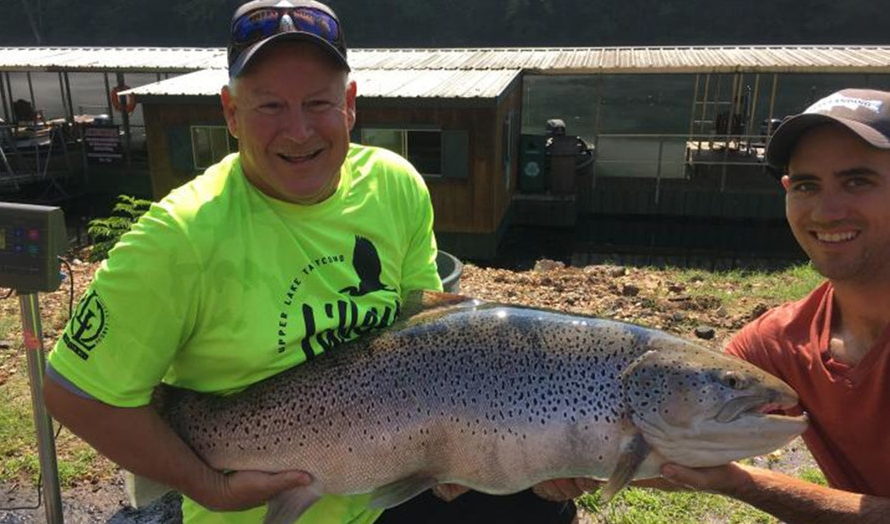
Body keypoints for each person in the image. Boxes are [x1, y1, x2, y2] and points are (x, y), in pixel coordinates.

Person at [43, 1, 575, 523]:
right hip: (264, 512)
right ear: (230, 111)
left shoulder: (395, 186)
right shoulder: (178, 238)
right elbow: (73, 393)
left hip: (383, 486)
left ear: (350, 103)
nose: (298, 131)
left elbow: (425, 334)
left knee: (540, 505)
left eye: (318, 104)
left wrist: (487, 456)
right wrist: (212, 488)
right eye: (270, 106)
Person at [538, 88, 890, 523]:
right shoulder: (775, 344)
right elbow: (677, 438)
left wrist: (743, 483)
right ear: (786, 191)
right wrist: (573, 456)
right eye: (807, 185)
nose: (827, 210)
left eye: (858, 181)